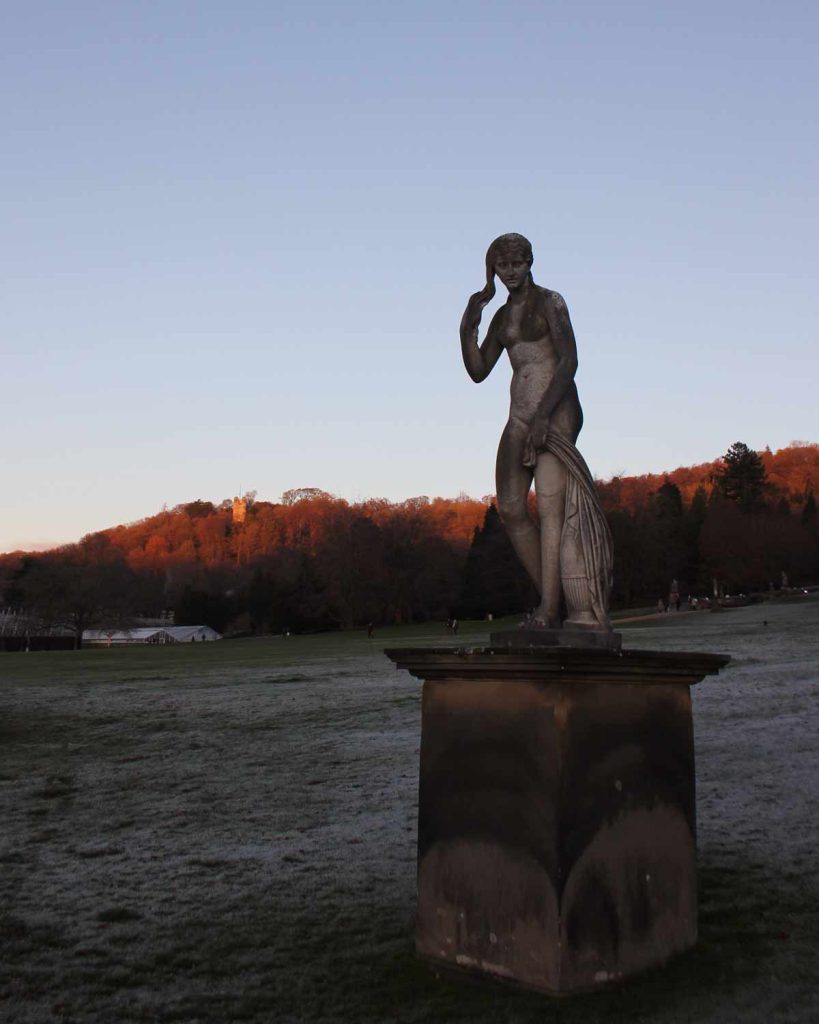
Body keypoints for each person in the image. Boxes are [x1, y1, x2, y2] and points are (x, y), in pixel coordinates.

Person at [460, 233, 612, 630]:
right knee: (510, 507)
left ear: (529, 263)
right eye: (501, 266)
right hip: (520, 414)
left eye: (516, 264)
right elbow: (478, 372)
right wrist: (466, 329)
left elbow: (569, 361)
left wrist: (544, 416)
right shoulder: (502, 317)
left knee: (550, 509)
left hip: (557, 410)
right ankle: (553, 597)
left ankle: (549, 610)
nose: (509, 273)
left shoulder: (550, 302)